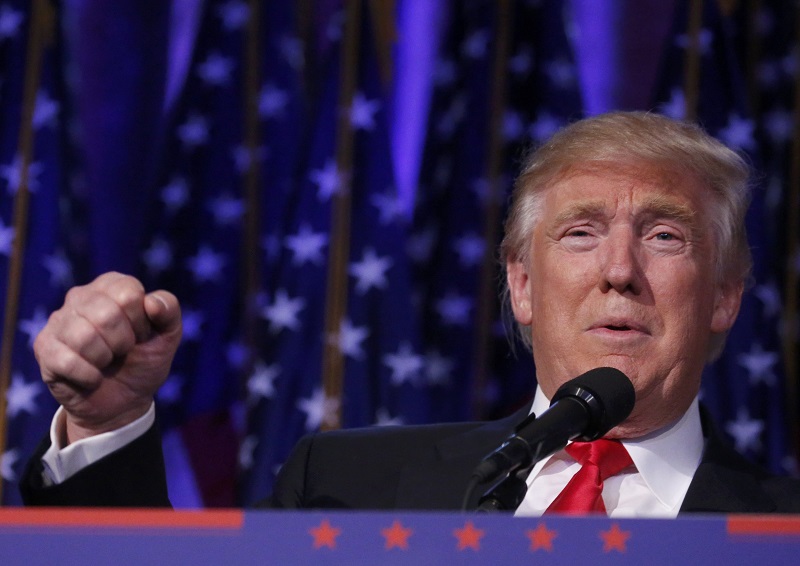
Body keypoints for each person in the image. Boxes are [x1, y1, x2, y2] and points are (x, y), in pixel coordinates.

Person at [20, 111, 800, 515]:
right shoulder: (347, 485)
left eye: (665, 235)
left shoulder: (783, 533)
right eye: (581, 233)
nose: (620, 271)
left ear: (726, 294)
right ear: (522, 285)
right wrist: (105, 429)